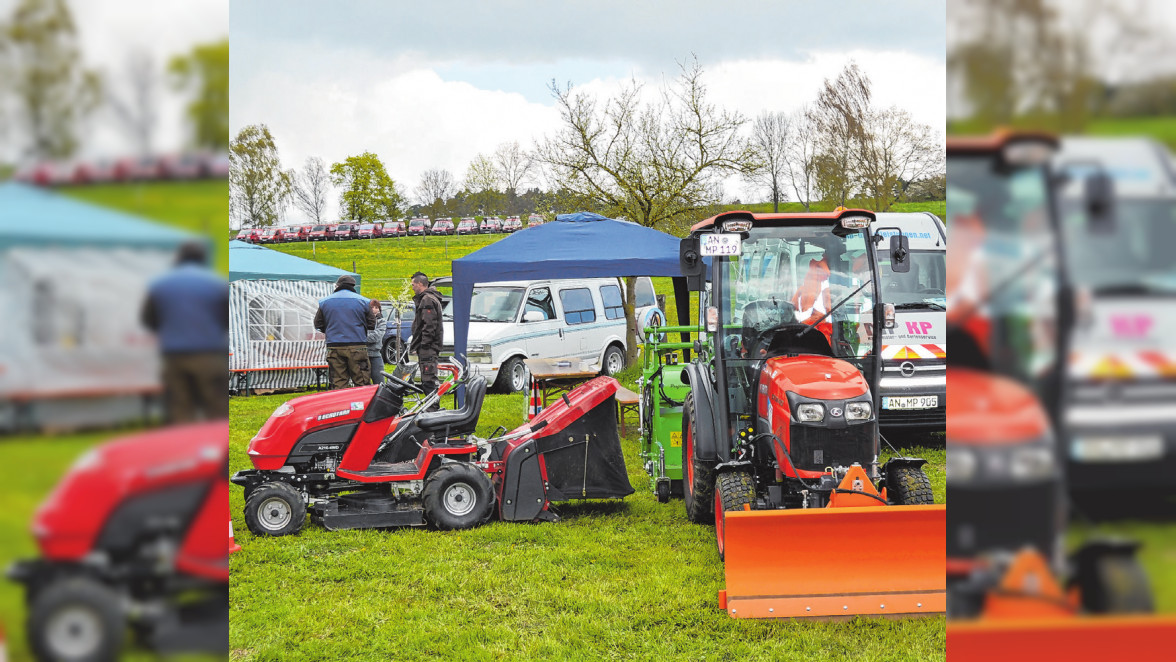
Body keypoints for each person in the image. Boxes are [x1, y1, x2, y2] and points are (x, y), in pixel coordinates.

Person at [141, 240, 229, 423]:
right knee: (217, 410)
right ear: (203, 259)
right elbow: (227, 319)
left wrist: (170, 330)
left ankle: (183, 450)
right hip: (210, 355)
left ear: (179, 258)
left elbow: (148, 319)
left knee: (179, 410)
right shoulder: (218, 283)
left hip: (174, 356)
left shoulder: (160, 284)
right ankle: (215, 449)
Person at [314, 274, 376, 389]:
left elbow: (318, 324)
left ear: (337, 286)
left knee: (338, 383)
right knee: (362, 381)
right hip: (357, 346)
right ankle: (363, 405)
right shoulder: (364, 301)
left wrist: (331, 330)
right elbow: (372, 324)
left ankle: (341, 406)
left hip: (334, 346)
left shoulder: (325, 302)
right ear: (353, 286)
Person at [409, 272, 444, 393]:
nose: (412, 287)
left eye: (413, 284)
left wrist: (424, 344)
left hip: (428, 347)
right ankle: (432, 406)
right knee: (427, 377)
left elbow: (429, 325)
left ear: (420, 284)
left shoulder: (427, 300)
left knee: (428, 378)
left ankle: (432, 408)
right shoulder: (429, 298)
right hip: (429, 346)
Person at [367, 298, 387, 384]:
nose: (374, 309)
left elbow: (376, 337)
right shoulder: (363, 321)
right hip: (363, 355)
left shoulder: (382, 321)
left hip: (375, 354)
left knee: (380, 382)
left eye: (376, 307)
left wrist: (363, 338)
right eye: (372, 307)